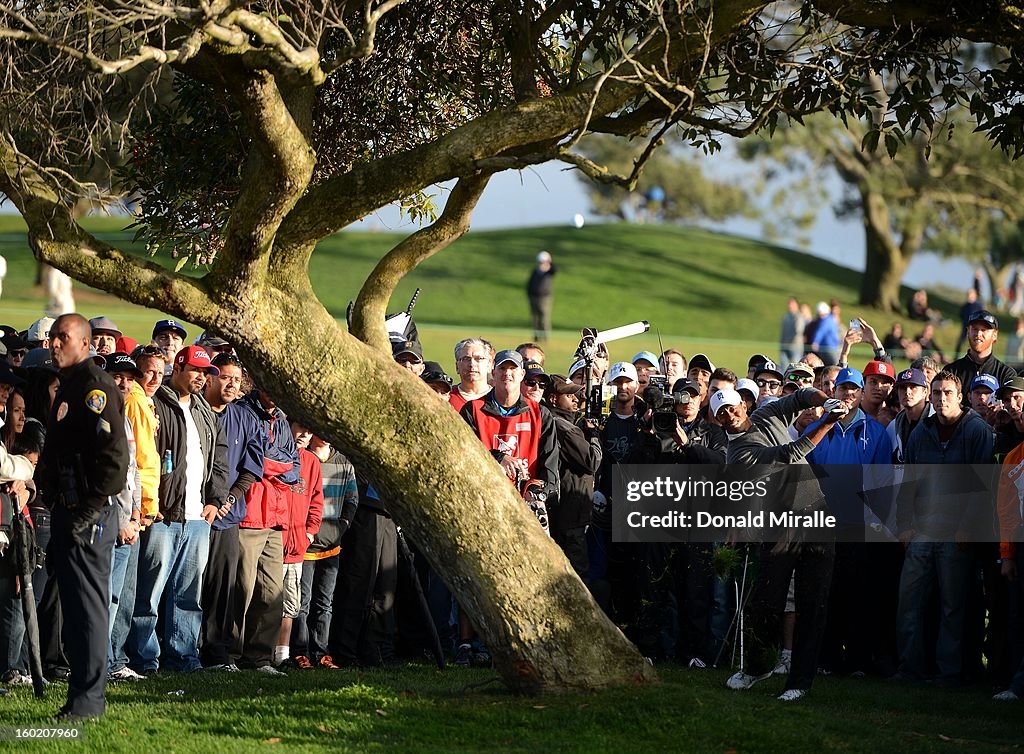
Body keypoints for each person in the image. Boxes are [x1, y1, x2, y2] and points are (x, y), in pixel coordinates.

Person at [720, 384, 846, 701]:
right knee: (766, 601)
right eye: (721, 412)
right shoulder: (738, 453)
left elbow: (802, 396)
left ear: (743, 405)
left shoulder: (766, 413)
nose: (729, 414)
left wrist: (824, 401)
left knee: (812, 602)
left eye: (732, 407)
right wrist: (828, 421)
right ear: (717, 420)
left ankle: (799, 682)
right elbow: (790, 454)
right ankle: (757, 668)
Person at [42, 313, 128, 721]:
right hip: (68, 508)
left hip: (90, 514)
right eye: (52, 338)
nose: (54, 344)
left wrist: (91, 508)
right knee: (74, 609)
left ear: (85, 343)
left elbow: (114, 458)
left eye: (63, 337)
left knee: (90, 608)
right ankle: (79, 695)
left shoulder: (96, 387)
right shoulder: (69, 387)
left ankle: (89, 701)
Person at [130, 345, 227, 675]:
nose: (201, 377)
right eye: (196, 371)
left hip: (198, 518)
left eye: (205, 373)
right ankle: (144, 659)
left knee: (188, 596)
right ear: (179, 368)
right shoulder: (156, 401)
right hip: (164, 515)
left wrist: (215, 500)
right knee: (149, 594)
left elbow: (220, 457)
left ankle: (183, 656)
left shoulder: (203, 409)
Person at [895, 371, 993, 686]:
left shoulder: (977, 431)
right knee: (909, 602)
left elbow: (984, 486)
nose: (941, 399)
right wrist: (904, 525)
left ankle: (948, 673)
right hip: (922, 530)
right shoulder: (921, 432)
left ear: (960, 396)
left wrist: (968, 527)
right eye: (936, 393)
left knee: (953, 607)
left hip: (956, 534)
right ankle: (911, 668)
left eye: (948, 392)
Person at [200, 352, 265, 672]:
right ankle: (181, 651)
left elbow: (252, 469)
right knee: (187, 585)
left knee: (222, 589)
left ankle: (216, 654)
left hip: (227, 518)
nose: (230, 384)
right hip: (192, 514)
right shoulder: (196, 411)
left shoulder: (246, 418)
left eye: (236, 380)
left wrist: (227, 499)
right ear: (211, 377)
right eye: (225, 377)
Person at [542, 375, 601, 577]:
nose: (576, 399)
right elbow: (592, 461)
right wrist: (594, 435)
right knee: (577, 575)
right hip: (571, 516)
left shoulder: (550, 420)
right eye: (569, 395)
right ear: (553, 399)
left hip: (563, 512)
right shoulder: (564, 428)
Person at [947, 310, 1017, 406]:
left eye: (984, 330)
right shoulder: (951, 371)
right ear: (968, 332)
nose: (978, 334)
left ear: (995, 335)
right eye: (975, 329)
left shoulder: (1006, 374)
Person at [526, 250, 556, 342]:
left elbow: (555, 270)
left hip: (544, 298)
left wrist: (550, 263)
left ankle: (546, 337)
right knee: (535, 318)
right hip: (534, 298)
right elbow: (530, 284)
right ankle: (536, 337)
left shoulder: (548, 272)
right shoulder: (535, 271)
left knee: (544, 319)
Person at [779, 296, 806, 365]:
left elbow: (798, 331)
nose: (790, 306)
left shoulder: (799, 316)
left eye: (792, 304)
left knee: (795, 367)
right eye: (789, 304)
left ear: (796, 305)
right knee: (783, 366)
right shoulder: (786, 316)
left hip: (795, 346)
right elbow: (783, 332)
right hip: (785, 346)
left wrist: (791, 342)